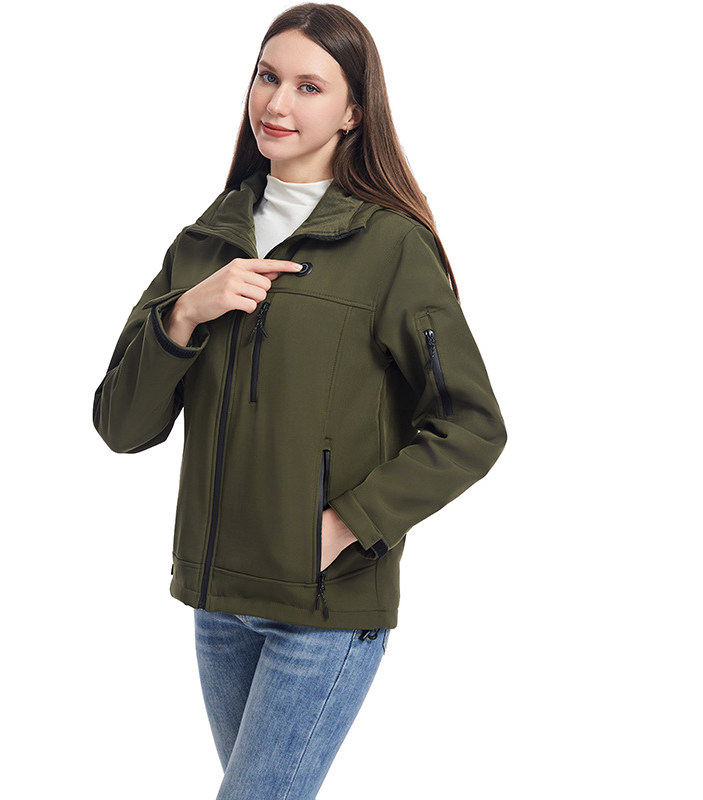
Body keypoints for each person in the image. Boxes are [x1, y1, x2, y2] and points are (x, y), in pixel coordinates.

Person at [93, 3, 506, 797]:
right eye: (267, 77)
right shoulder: (204, 244)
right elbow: (121, 424)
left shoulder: (389, 246)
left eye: (309, 87)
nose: (277, 103)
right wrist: (184, 314)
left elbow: (471, 425)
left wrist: (351, 523)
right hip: (217, 602)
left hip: (323, 604)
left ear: (353, 112)